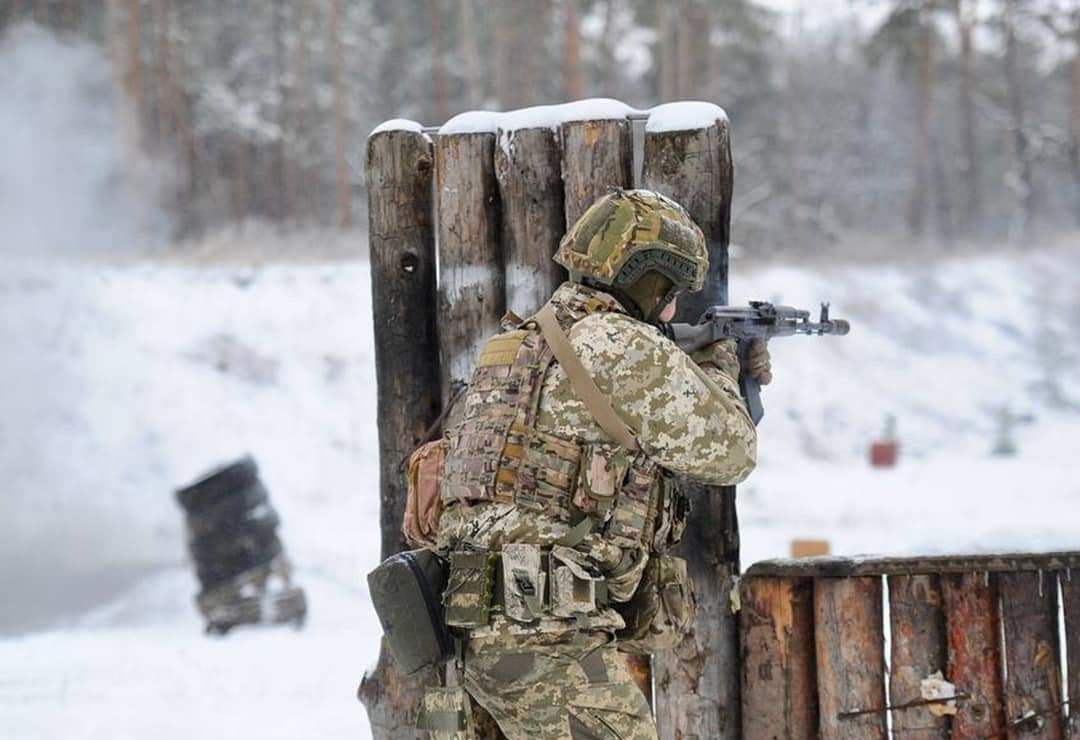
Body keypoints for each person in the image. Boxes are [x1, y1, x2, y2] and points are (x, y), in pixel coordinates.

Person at [430, 189, 771, 740]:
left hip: (462, 639)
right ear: (650, 279)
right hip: (543, 641)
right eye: (672, 293)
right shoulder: (619, 343)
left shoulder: (515, 342)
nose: (673, 310)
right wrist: (724, 366)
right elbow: (731, 453)